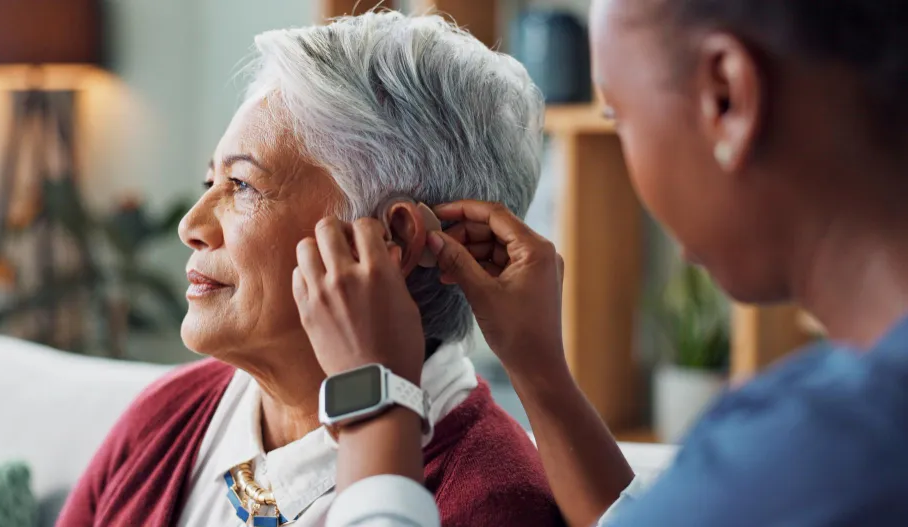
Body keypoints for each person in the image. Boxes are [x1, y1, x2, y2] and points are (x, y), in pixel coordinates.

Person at [292, 0, 908, 526]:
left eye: (621, 118)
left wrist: (374, 397)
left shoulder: (816, 455)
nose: (192, 225)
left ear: (727, 96)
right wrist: (541, 371)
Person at [57, 11, 565, 527]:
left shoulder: (492, 502)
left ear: (393, 239)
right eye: (210, 182)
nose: (191, 224)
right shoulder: (166, 418)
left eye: (243, 186)